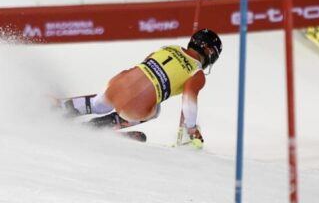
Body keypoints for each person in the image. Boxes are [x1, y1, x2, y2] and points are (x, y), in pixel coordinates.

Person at [62, 28, 223, 145]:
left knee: (100, 103)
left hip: (117, 83)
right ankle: (97, 127)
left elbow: (147, 62)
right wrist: (191, 128)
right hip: (135, 108)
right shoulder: (197, 73)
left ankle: (66, 107)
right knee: (155, 110)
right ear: (209, 52)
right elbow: (189, 101)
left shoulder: (170, 47)